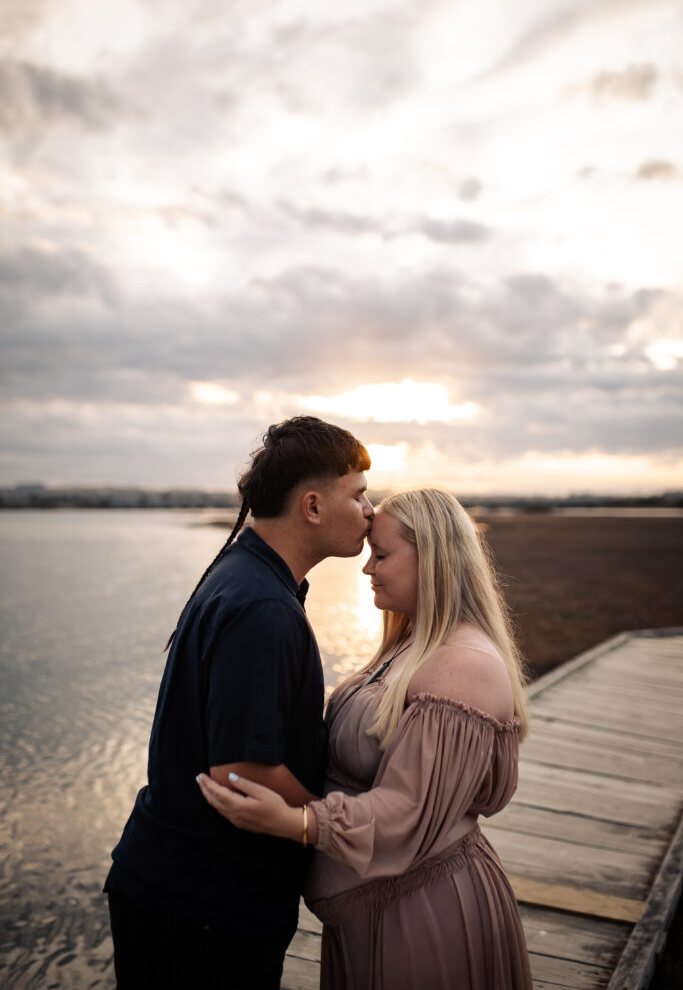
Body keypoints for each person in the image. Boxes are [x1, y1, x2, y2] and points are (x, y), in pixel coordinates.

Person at [198, 488, 533, 990]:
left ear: (435, 558)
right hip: (378, 911)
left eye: (382, 554)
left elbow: (408, 808)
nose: (366, 568)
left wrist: (297, 823)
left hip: (423, 916)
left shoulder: (463, 664)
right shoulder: (413, 643)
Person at [104, 416, 374, 989]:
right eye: (359, 494)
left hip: (185, 892)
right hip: (202, 907)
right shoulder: (263, 609)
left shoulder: (246, 576)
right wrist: (328, 825)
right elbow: (241, 774)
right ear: (313, 506)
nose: (370, 510)